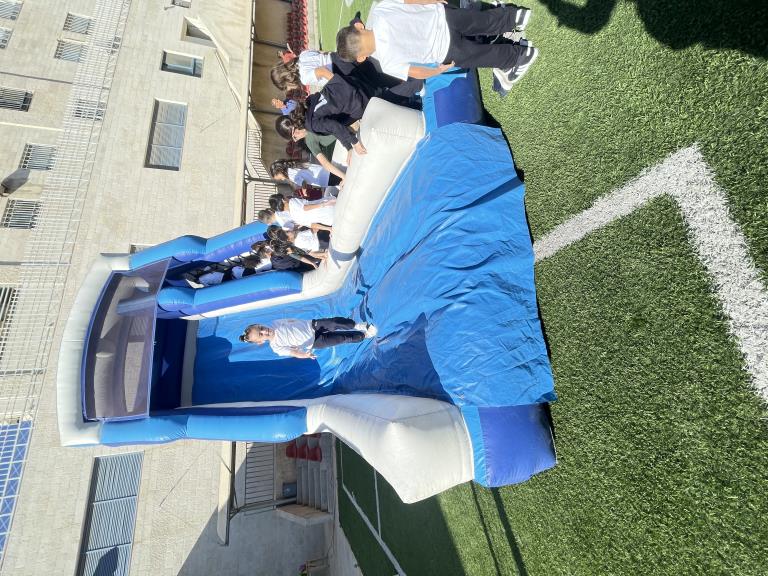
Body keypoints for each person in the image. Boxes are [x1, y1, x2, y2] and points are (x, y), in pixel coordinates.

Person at [335, 1, 538, 91]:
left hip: (446, 50)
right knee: (482, 21)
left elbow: (416, 72)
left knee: (484, 55)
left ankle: (521, 56)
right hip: (445, 17)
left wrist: (438, 70)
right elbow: (410, 1)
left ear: (361, 58)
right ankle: (516, 17)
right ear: (359, 26)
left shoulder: (387, 63)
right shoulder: (380, 10)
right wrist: (433, 0)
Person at [275, 107, 348, 186]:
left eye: (294, 137)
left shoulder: (309, 140)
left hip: (345, 142)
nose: (296, 140)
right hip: (347, 127)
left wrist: (344, 177)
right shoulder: (310, 116)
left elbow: (325, 164)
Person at [239, 317, 378, 358]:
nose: (265, 331)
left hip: (312, 326)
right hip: (315, 342)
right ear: (260, 342)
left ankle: (358, 325)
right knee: (342, 338)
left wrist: (305, 323)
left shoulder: (275, 323)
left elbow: (291, 321)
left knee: (334, 322)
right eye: (261, 334)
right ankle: (364, 335)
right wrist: (305, 355)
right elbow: (293, 352)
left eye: (261, 328)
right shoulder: (276, 347)